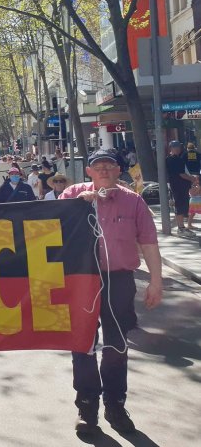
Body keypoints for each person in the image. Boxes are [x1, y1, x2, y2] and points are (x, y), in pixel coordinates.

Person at [59, 149, 163, 435]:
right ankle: (87, 405)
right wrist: (75, 209)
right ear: (89, 171)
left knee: (117, 345)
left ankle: (115, 403)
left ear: (119, 171)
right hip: (80, 282)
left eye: (109, 166)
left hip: (118, 281)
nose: (104, 170)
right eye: (98, 166)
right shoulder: (71, 196)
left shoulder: (134, 202)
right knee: (83, 344)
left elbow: (150, 243)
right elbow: (48, 231)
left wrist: (156, 281)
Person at [166, 141, 197, 237]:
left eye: (178, 146)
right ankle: (181, 228)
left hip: (179, 186)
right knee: (180, 206)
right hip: (178, 186)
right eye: (175, 147)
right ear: (171, 148)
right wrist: (192, 178)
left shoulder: (175, 159)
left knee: (181, 206)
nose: (177, 148)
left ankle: (181, 227)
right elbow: (181, 174)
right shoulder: (174, 159)